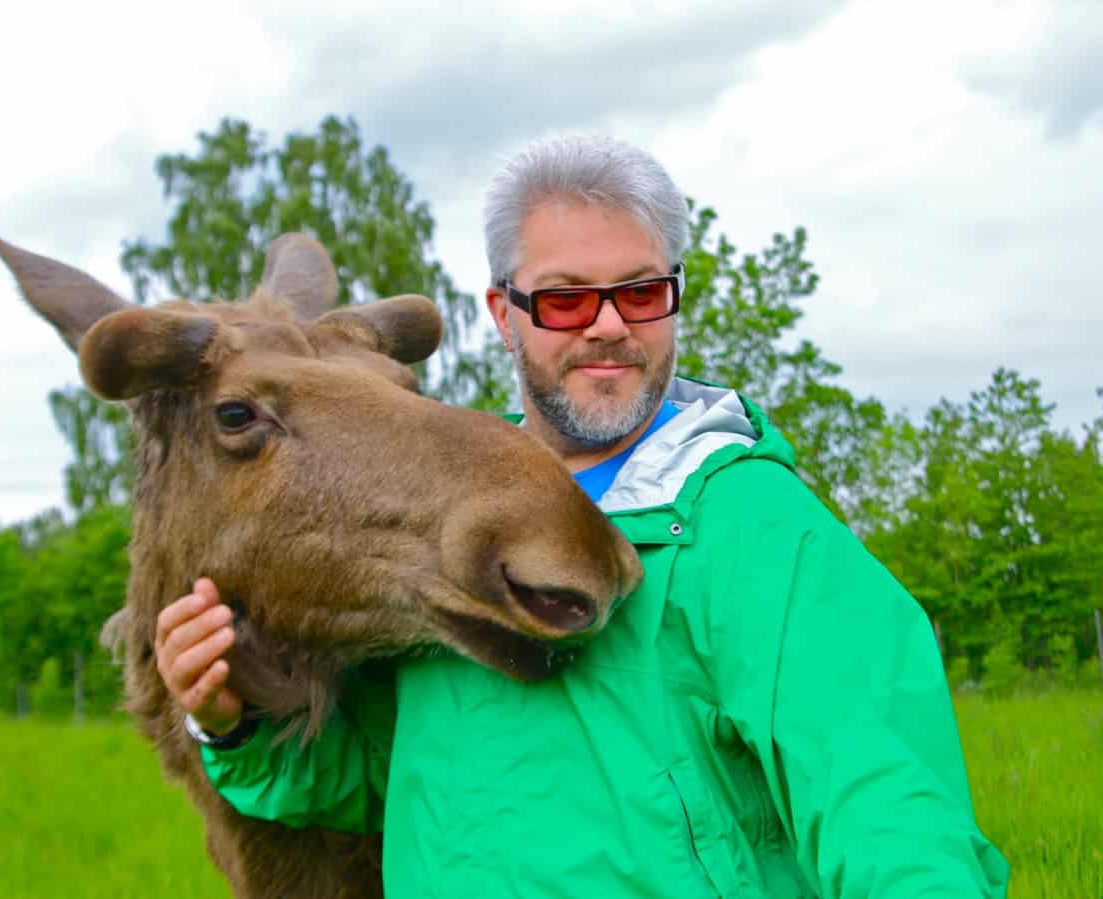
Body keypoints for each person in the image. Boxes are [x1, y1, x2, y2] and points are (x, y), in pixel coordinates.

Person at [156, 135, 1010, 897]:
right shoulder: (460, 536)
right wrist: (236, 720)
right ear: (503, 314)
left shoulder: (754, 527)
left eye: (639, 294)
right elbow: (382, 779)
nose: (607, 326)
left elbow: (885, 801)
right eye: (565, 300)